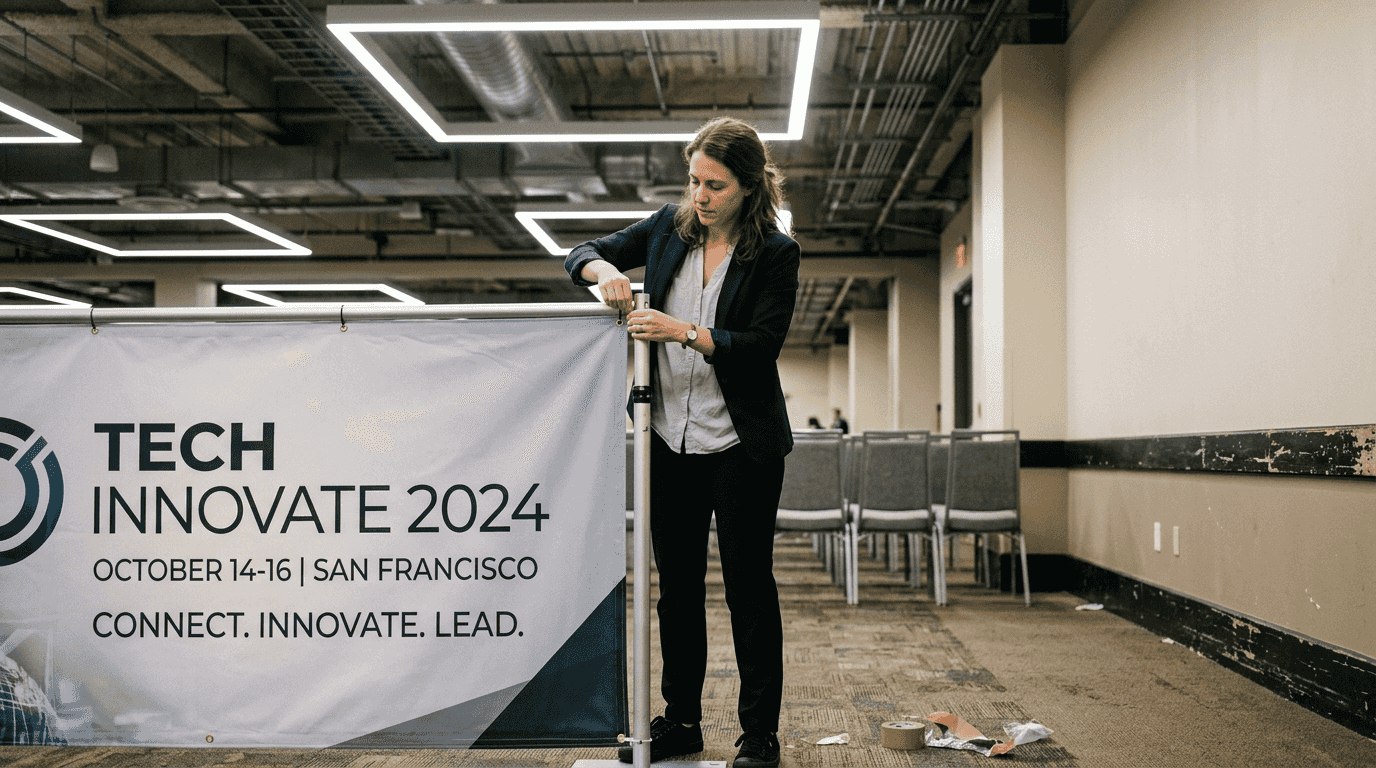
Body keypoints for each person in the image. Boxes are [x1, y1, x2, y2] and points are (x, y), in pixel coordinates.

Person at [566, 116, 798, 768]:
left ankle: (759, 735)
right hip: (670, 440)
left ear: (750, 187)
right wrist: (603, 272)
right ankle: (683, 720)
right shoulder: (670, 228)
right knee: (678, 590)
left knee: (749, 590)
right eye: (694, 179)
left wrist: (684, 331)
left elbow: (761, 348)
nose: (700, 195)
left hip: (741, 445)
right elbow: (580, 250)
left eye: (715, 185)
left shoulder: (776, 255)